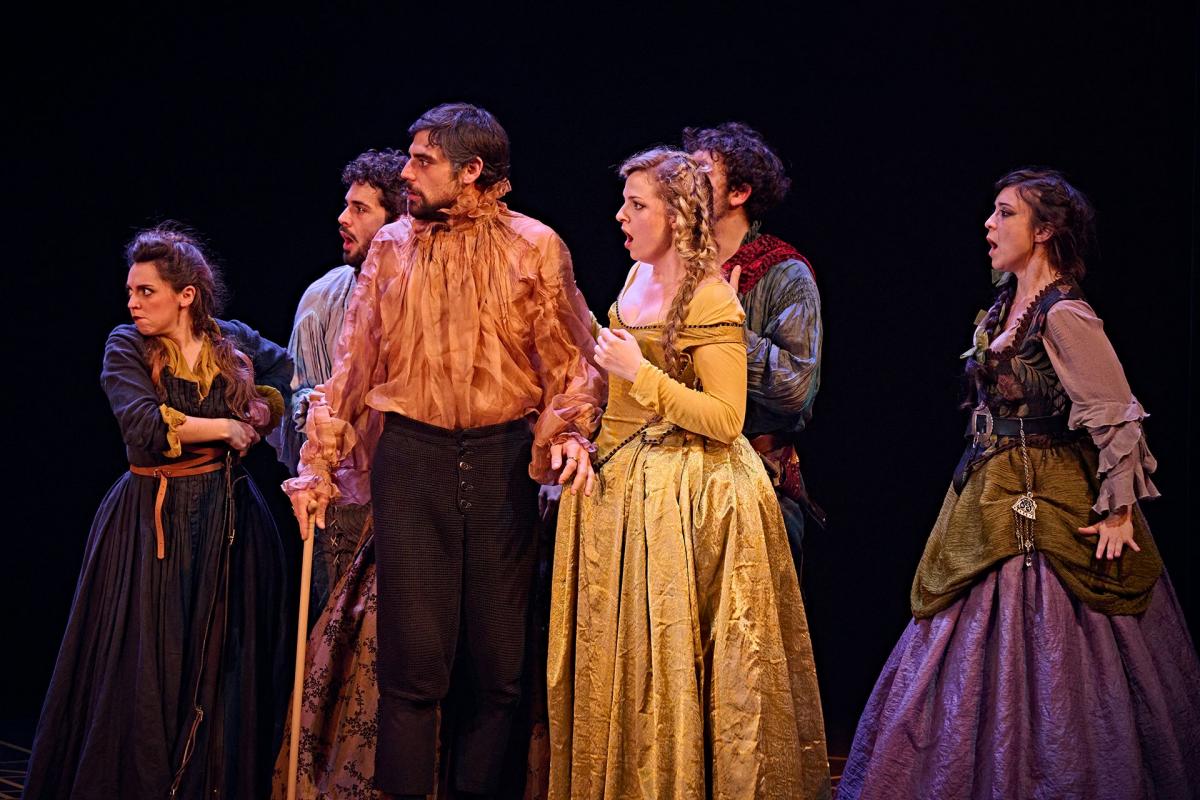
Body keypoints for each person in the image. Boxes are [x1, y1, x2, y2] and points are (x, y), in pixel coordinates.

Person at [838, 168, 1200, 799]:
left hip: (1049, 495)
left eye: (1006, 213)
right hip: (989, 485)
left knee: (1059, 643)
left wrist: (1118, 512)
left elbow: (1116, 414)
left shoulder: (1065, 314)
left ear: (1046, 230)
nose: (990, 224)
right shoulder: (1007, 305)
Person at [282, 103, 603, 800]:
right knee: (413, 664)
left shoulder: (534, 246)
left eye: (423, 160)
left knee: (498, 666)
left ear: (471, 171)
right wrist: (317, 465)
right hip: (413, 460)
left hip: (500, 462)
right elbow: (354, 366)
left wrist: (568, 432)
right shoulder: (393, 248)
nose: (406, 171)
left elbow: (570, 362)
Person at [547, 148, 831, 800]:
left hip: (693, 498)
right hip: (626, 494)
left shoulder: (710, 296)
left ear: (676, 216)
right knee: (627, 666)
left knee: (686, 665)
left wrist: (640, 373)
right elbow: (618, 400)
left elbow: (727, 418)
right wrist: (585, 442)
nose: (621, 216)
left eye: (636, 204)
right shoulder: (635, 277)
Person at [24, 227, 292, 799]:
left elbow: (282, 371)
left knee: (221, 656)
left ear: (186, 295)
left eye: (146, 291)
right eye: (130, 291)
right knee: (147, 655)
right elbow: (144, 423)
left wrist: (263, 411)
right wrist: (226, 428)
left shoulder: (229, 339)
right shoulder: (126, 346)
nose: (133, 303)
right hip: (151, 520)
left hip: (228, 518)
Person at [274, 148, 408, 621]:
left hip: (408, 496)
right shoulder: (322, 298)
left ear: (397, 222)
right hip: (343, 500)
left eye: (360, 208)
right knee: (335, 632)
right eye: (346, 205)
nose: (342, 218)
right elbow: (298, 388)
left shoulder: (422, 295)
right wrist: (308, 407)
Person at [684, 122, 824, 574]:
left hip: (755, 479)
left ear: (739, 192)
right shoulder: (671, 266)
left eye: (701, 171)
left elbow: (794, 388)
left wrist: (726, 328)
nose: (685, 180)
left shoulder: (784, 273)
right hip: (676, 476)